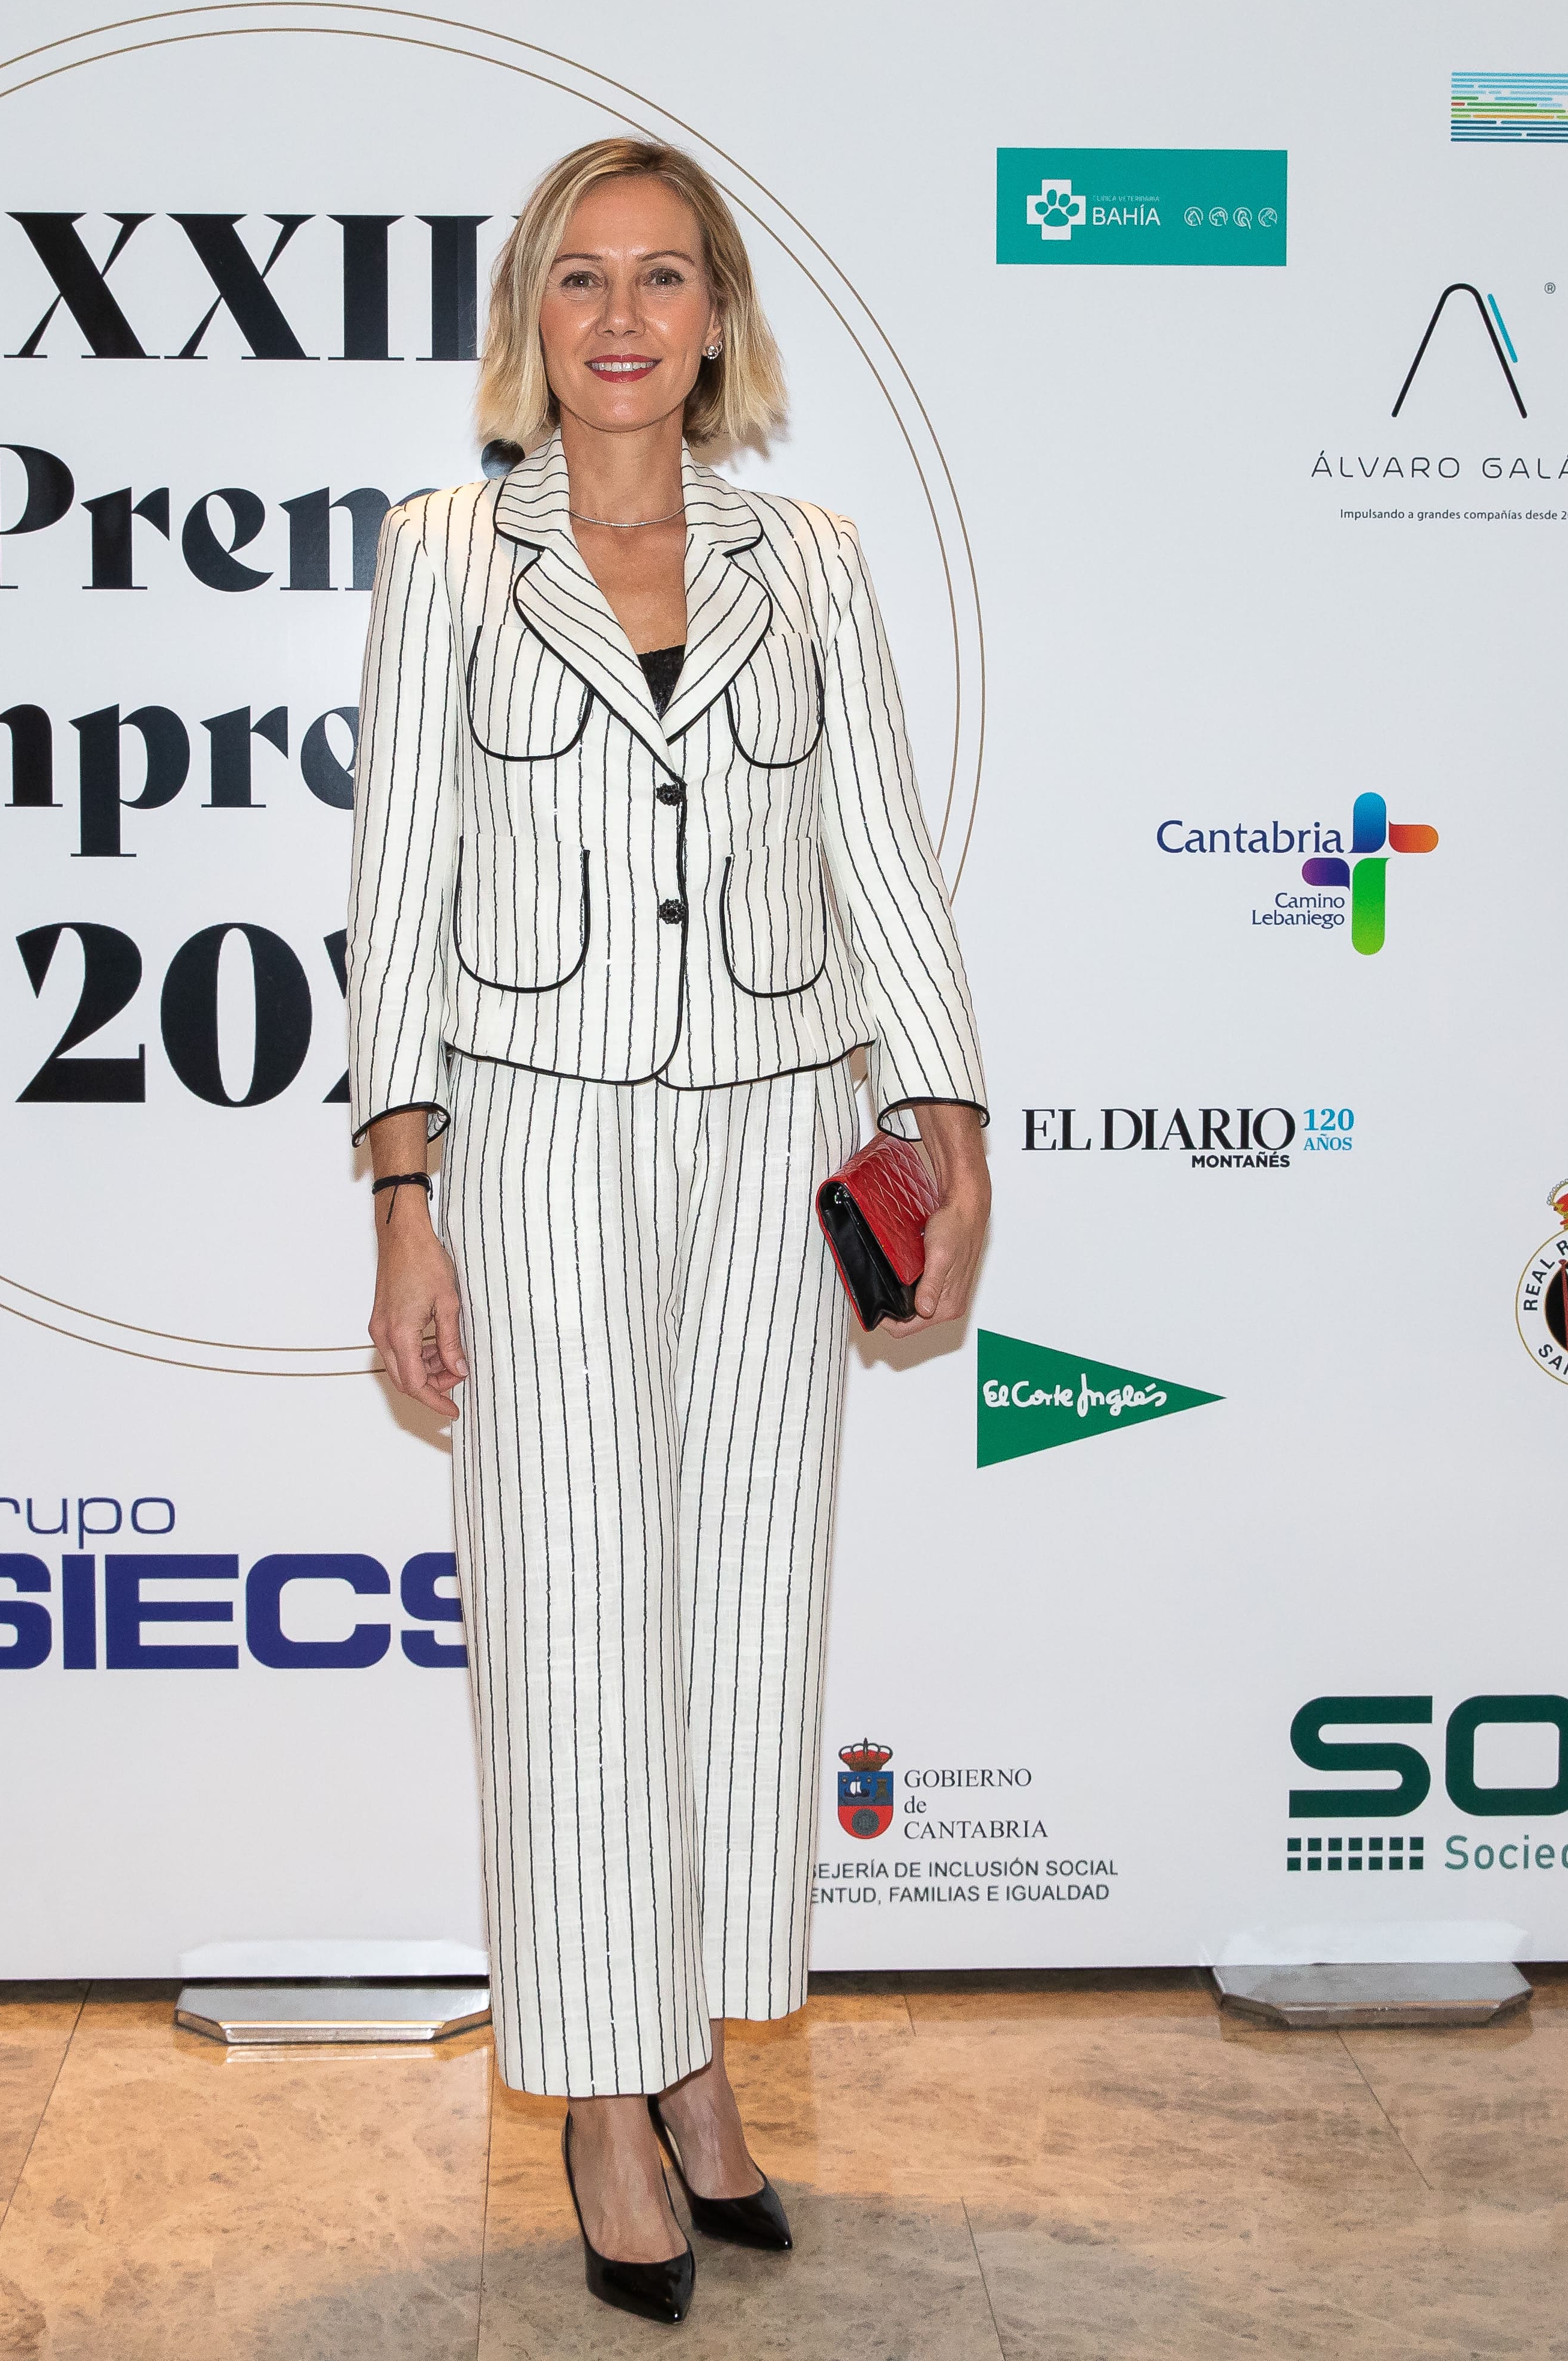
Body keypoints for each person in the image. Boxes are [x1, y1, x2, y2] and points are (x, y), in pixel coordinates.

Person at [344, 138, 990, 2324]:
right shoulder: (447, 555)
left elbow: (882, 853)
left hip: (780, 1132)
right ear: (531, 320)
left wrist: (948, 1122)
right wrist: (405, 1199)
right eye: (581, 278)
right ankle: (602, 2104)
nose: (623, 318)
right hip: (531, 1139)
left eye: (666, 277)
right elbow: (397, 896)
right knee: (569, 1623)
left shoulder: (812, 561)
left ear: (720, 321)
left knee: (740, 1614)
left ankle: (698, 2052)